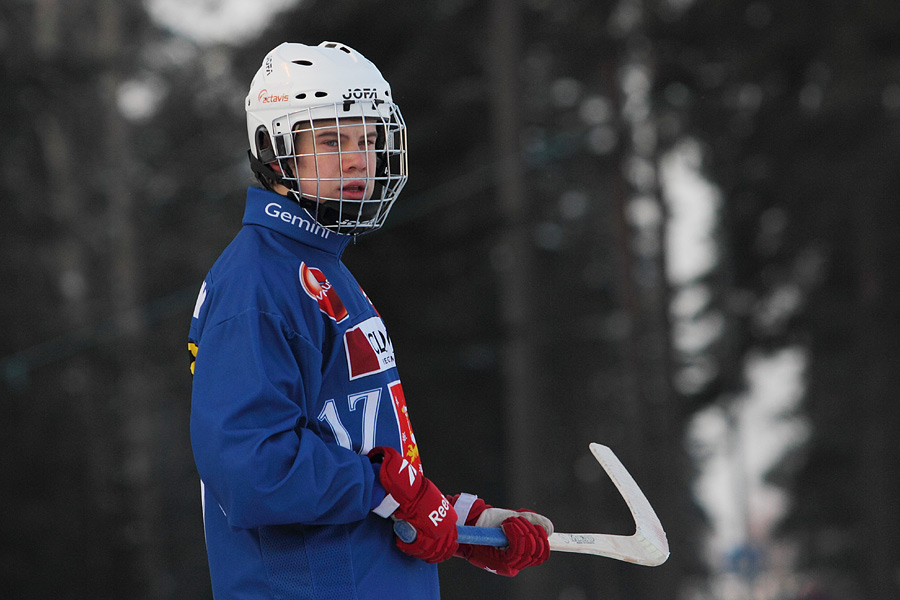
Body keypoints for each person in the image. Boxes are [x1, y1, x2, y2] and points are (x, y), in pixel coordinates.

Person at [188, 41, 553, 599]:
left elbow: (367, 457)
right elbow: (252, 468)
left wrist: (462, 523)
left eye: (369, 139)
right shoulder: (256, 283)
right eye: (333, 139)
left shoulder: (326, 271)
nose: (360, 159)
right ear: (275, 150)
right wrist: (396, 494)